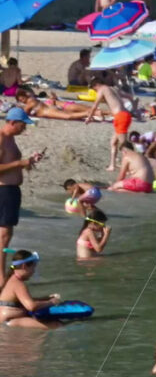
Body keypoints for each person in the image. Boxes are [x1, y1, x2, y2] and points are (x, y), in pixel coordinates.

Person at [0, 107, 44, 284]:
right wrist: (20, 162)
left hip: (11, 191)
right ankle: (1, 277)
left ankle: (2, 275)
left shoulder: (11, 139)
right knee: (3, 236)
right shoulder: (2, 139)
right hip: (4, 191)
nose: (24, 129)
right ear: (12, 122)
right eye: (22, 125)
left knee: (6, 235)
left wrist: (29, 162)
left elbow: (12, 164)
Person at [0, 250, 61, 328]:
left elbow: (24, 300)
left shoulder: (11, 280)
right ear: (24, 266)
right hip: (9, 321)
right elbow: (31, 306)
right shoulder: (18, 283)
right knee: (56, 325)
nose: (33, 271)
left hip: (7, 320)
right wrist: (51, 302)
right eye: (33, 267)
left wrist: (45, 298)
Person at [85, 81, 133, 171]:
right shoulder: (113, 88)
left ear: (96, 85)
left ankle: (129, 168)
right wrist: (134, 108)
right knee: (113, 142)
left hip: (120, 117)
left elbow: (95, 105)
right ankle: (112, 165)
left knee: (124, 145)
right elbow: (129, 97)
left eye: (94, 89)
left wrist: (89, 118)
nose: (95, 91)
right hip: (125, 115)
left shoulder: (102, 89)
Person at [16, 87, 96, 121]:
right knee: (70, 114)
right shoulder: (32, 99)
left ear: (25, 96)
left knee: (69, 116)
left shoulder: (29, 103)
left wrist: (19, 108)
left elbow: (23, 115)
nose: (22, 101)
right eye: (20, 100)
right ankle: (96, 112)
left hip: (49, 111)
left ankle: (89, 113)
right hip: (51, 108)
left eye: (22, 99)